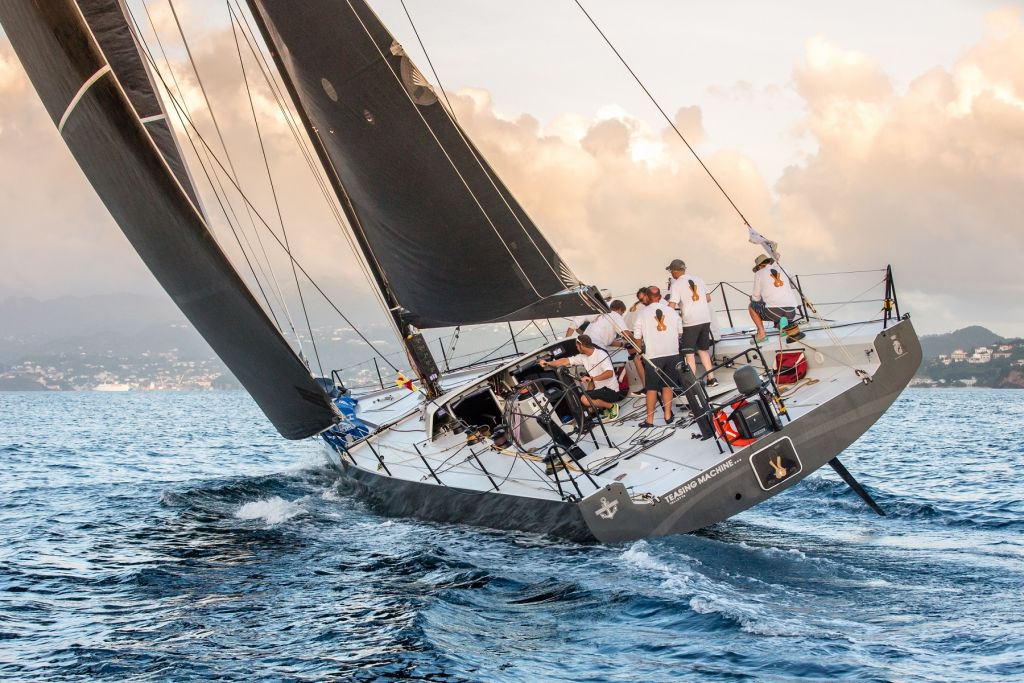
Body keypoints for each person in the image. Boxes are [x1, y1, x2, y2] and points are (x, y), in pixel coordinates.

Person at [539, 334, 624, 419]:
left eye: (577, 345)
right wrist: (548, 363)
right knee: (583, 395)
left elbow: (609, 373)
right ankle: (604, 408)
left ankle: (612, 406)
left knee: (584, 399)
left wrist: (592, 378)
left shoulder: (600, 354)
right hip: (602, 390)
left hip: (612, 391)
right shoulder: (583, 357)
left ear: (581, 345)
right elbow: (566, 361)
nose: (576, 347)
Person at [632, 286, 682, 427]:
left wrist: (639, 352)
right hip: (672, 352)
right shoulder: (672, 311)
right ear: (660, 297)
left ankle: (650, 420)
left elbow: (637, 335)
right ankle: (667, 415)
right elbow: (680, 332)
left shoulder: (642, 313)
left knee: (652, 388)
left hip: (654, 355)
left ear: (647, 297)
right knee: (667, 385)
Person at [667, 262, 717, 387]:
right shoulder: (698, 279)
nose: (671, 274)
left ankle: (692, 383)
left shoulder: (676, 284)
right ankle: (712, 379)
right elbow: (708, 298)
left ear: (675, 271)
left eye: (671, 271)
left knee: (689, 352)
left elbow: (672, 306)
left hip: (690, 322)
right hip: (705, 318)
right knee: (703, 350)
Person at [749, 254, 799, 341]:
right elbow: (795, 285)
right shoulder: (783, 269)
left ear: (760, 266)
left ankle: (761, 334)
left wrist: (757, 300)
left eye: (757, 268)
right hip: (791, 313)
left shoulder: (759, 273)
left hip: (774, 312)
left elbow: (755, 298)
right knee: (774, 306)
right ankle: (782, 325)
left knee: (752, 306)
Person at [623, 288, 650, 388]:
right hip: (637, 337)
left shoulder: (636, 306)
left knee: (637, 359)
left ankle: (645, 386)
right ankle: (647, 386)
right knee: (639, 358)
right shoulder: (644, 307)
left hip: (630, 337)